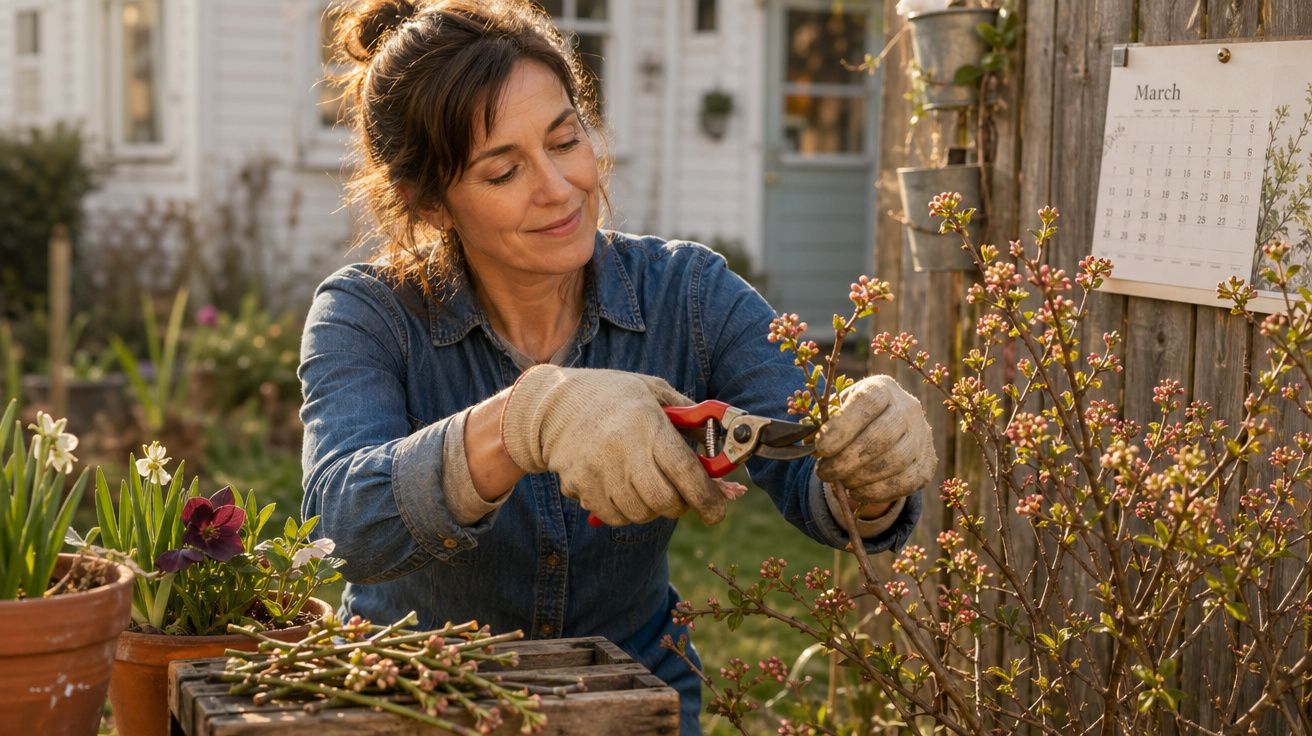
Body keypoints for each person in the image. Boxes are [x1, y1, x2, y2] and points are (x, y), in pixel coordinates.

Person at [299, 1, 935, 732]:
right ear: (431, 203)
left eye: (566, 140)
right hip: (416, 703)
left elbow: (813, 470)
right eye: (503, 171)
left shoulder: (688, 295)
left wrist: (871, 469)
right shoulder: (367, 316)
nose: (559, 186)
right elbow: (339, 528)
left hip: (634, 702)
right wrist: (523, 422)